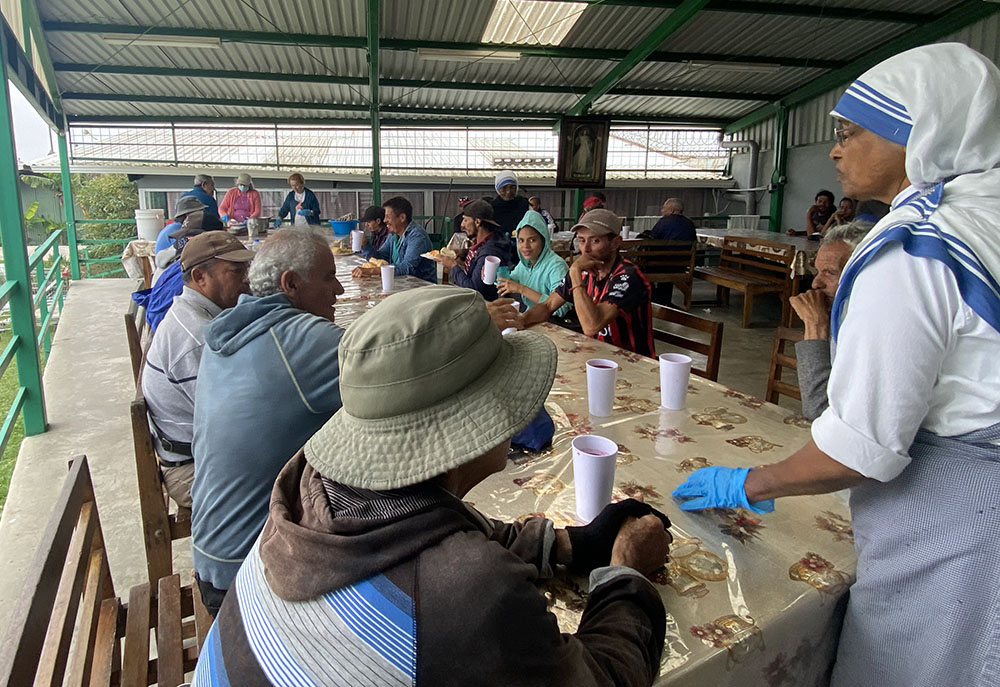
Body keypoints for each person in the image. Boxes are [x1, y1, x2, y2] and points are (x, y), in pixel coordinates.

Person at [672, 43, 1000, 687]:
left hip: (961, 521)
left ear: (920, 133)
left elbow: (861, 450)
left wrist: (748, 484)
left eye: (850, 132)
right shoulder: (984, 216)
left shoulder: (916, 250)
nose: (836, 150)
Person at [193, 285, 673, 686]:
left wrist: (571, 543)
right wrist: (625, 574)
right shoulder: (475, 592)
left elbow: (432, 528)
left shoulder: (309, 485)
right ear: (477, 419)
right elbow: (606, 678)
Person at [190, 228, 346, 616]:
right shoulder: (300, 340)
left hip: (212, 553)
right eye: (328, 276)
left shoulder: (229, 331)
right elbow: (405, 361)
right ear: (290, 284)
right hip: (249, 574)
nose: (339, 290)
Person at [141, 232, 254, 508]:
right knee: (305, 492)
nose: (247, 278)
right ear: (201, 277)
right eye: (236, 271)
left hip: (195, 451)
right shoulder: (197, 339)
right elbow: (237, 427)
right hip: (191, 470)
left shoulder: (196, 313)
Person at [523, 209, 655, 358]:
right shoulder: (584, 271)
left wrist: (575, 272)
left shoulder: (628, 276)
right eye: (581, 240)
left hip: (629, 361)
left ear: (615, 243)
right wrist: (520, 322)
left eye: (595, 241)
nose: (585, 249)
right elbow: (547, 306)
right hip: (594, 355)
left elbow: (592, 326)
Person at [788, 221, 871, 420]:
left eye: (830, 273)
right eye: (817, 271)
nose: (816, 283)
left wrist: (815, 327)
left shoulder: (870, 329)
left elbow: (820, 412)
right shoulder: (842, 316)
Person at [497, 210, 571, 317]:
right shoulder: (525, 263)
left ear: (543, 240)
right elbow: (509, 281)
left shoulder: (556, 266)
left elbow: (562, 308)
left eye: (532, 240)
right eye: (521, 240)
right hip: (531, 317)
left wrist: (521, 289)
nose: (525, 246)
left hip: (553, 325)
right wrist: (494, 275)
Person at [436, 199, 513, 301]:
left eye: (466, 220)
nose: (462, 225)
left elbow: (474, 289)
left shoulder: (489, 253)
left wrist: (452, 266)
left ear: (477, 222)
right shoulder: (485, 243)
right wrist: (464, 254)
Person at [352, 196, 437, 283]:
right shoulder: (393, 235)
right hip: (401, 284)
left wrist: (372, 271)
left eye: (388, 217)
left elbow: (407, 267)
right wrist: (365, 244)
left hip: (421, 288)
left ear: (402, 218)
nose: (384, 220)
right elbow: (380, 257)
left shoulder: (417, 236)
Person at [491, 170, 531, 236]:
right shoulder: (491, 208)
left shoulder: (525, 205)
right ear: (498, 189)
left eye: (512, 187)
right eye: (503, 188)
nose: (508, 192)